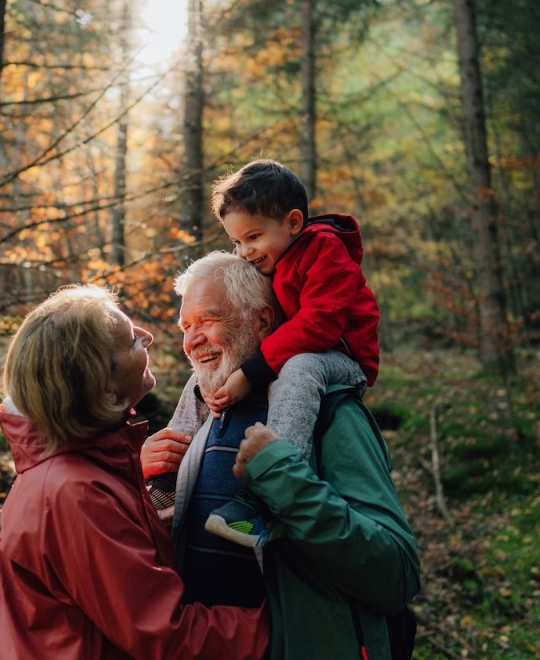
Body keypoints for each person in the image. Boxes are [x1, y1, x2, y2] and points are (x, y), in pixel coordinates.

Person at [144, 252, 420, 659]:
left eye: (207, 320)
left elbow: (395, 575)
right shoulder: (199, 415)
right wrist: (138, 478)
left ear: (262, 321)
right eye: (186, 327)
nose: (191, 340)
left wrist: (287, 484)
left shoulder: (331, 414)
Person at [0, 285, 269, 660]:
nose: (148, 336)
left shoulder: (82, 471)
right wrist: (284, 626)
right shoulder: (74, 494)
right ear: (103, 385)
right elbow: (163, 635)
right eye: (132, 340)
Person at [158, 158, 381, 547]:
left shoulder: (325, 253)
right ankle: (173, 484)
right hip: (304, 354)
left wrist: (253, 371)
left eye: (253, 237)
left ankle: (274, 482)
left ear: (293, 223)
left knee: (297, 369)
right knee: (208, 379)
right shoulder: (276, 257)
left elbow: (320, 325)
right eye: (237, 241)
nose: (245, 251)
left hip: (340, 357)